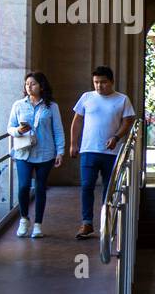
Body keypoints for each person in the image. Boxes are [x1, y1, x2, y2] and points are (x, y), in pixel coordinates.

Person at [69, 66, 136, 239]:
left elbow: (128, 121)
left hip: (111, 152)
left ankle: (108, 221)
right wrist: (73, 143)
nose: (99, 86)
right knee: (87, 185)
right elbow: (77, 120)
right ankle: (87, 223)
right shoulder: (87, 97)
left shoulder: (122, 99)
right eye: (96, 82)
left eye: (103, 82)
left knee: (109, 188)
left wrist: (116, 136)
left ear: (112, 82)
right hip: (89, 149)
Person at [7, 72, 65, 238]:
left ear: (41, 86)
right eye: (27, 84)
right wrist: (18, 130)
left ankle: (38, 224)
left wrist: (60, 151)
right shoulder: (18, 105)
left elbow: (58, 130)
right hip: (23, 152)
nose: (29, 87)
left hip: (45, 152)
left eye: (32, 83)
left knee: (40, 187)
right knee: (24, 186)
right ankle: (24, 219)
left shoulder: (51, 106)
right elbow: (9, 127)